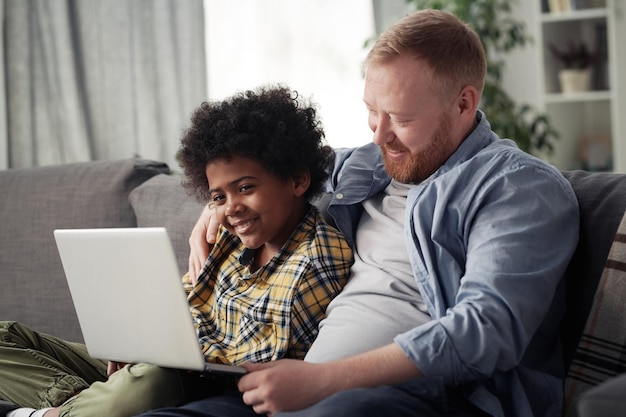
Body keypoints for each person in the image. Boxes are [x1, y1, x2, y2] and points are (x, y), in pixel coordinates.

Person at [137, 9, 580, 417]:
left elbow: (486, 330)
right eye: (372, 112)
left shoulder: (516, 187)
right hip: (304, 388)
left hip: (436, 397)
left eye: (401, 118)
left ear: (464, 103)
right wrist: (214, 210)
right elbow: (270, 170)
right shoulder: (367, 166)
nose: (381, 135)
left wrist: (323, 380)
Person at [0, 86, 352, 417]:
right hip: (159, 363)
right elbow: (187, 300)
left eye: (245, 188)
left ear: (297, 180)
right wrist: (133, 342)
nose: (231, 208)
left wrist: (156, 355)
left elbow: (250, 362)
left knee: (151, 382)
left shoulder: (317, 258)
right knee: (4, 334)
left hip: (200, 384)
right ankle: (86, 404)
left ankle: (62, 410)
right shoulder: (231, 239)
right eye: (218, 197)